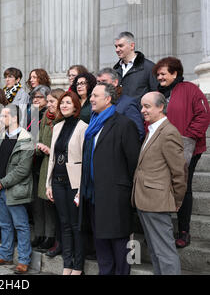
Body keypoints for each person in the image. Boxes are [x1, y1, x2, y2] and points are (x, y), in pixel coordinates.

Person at [79, 82, 141, 275]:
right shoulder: (93, 124)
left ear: (108, 99)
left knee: (120, 243)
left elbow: (133, 162)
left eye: (95, 96)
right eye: (91, 96)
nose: (91, 99)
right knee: (101, 242)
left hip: (116, 196)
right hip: (94, 194)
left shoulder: (124, 124)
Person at [154, 57, 210, 248]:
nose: (159, 77)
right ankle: (162, 230)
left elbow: (203, 115)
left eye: (163, 74)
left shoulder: (190, 89)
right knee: (162, 186)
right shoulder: (157, 95)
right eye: (158, 74)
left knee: (182, 187)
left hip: (188, 148)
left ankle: (184, 231)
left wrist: (187, 138)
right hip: (161, 149)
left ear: (175, 73)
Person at [133, 92, 187, 275]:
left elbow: (179, 172)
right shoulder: (152, 129)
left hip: (157, 202)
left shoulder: (169, 132)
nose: (143, 110)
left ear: (161, 107)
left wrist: (175, 200)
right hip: (144, 200)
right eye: (142, 106)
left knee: (164, 252)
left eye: (147, 106)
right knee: (156, 252)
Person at [0, 105, 34, 274]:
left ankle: (23, 261)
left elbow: (23, 169)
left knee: (21, 226)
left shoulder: (27, 139)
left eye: (4, 116)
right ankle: (5, 255)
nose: (0, 119)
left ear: (14, 118)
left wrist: (3, 182)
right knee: (4, 224)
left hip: (14, 190)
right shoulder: (1, 136)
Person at [46, 91, 88, 275]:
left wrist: (81, 188)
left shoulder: (83, 127)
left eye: (68, 103)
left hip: (74, 182)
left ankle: (78, 266)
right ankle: (67, 264)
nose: (63, 106)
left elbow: (86, 160)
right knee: (64, 224)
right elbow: (53, 158)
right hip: (57, 181)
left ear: (76, 106)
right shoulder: (57, 126)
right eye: (62, 103)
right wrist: (48, 184)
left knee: (75, 224)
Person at [37, 88, 66, 258]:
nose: (48, 105)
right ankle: (48, 237)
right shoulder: (44, 118)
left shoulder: (62, 120)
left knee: (56, 205)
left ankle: (55, 239)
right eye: (47, 102)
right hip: (45, 163)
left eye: (52, 102)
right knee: (45, 202)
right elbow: (41, 136)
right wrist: (40, 147)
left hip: (57, 165)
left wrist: (50, 150)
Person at [28, 85, 56, 253]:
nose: (35, 100)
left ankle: (49, 235)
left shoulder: (50, 115)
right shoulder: (33, 115)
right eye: (34, 97)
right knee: (36, 203)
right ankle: (38, 234)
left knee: (46, 202)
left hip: (45, 160)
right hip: (33, 162)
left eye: (39, 97)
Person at [96, 68, 145, 140]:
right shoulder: (97, 104)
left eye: (104, 81)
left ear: (115, 82)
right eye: (98, 82)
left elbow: (138, 132)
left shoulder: (127, 104)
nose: (100, 85)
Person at [113, 32, 158, 103]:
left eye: (121, 46)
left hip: (139, 113)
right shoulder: (115, 69)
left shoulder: (149, 67)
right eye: (116, 46)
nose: (117, 50)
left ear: (132, 46)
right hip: (118, 113)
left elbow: (156, 95)